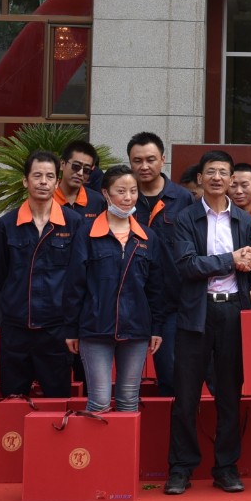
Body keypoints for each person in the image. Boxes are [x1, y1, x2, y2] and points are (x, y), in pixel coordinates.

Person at [165, 149, 251, 495]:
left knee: (229, 394)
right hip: (196, 311)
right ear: (200, 178)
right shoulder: (185, 218)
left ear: (233, 179)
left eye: (224, 172)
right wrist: (230, 259)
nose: (217, 178)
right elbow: (187, 265)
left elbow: (250, 266)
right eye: (211, 172)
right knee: (186, 395)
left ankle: (226, 467)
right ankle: (181, 468)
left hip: (233, 312)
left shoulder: (244, 220)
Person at [0, 150, 86, 398]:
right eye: (37, 175)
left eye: (49, 176)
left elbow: (78, 275)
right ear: (25, 181)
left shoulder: (74, 223)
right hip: (16, 328)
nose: (43, 182)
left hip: (56, 329)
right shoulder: (6, 224)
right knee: (12, 399)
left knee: (57, 399)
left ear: (57, 182)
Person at [76, 166, 159, 414]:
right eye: (121, 191)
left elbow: (156, 288)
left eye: (133, 191)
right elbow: (74, 284)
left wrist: (156, 328)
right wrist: (71, 329)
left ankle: (125, 443)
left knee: (128, 400)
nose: (128, 197)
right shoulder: (87, 233)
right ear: (106, 193)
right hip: (95, 328)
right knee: (99, 401)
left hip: (136, 329)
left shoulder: (147, 237)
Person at [129, 131, 195, 393]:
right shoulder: (124, 197)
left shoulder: (182, 198)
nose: (144, 166)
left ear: (163, 159)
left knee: (170, 373)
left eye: (150, 159)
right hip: (130, 298)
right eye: (137, 160)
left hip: (171, 302)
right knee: (126, 379)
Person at [56, 139, 104, 216]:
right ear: (62, 164)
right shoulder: (47, 197)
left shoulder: (97, 201)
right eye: (76, 166)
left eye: (86, 170)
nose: (80, 173)